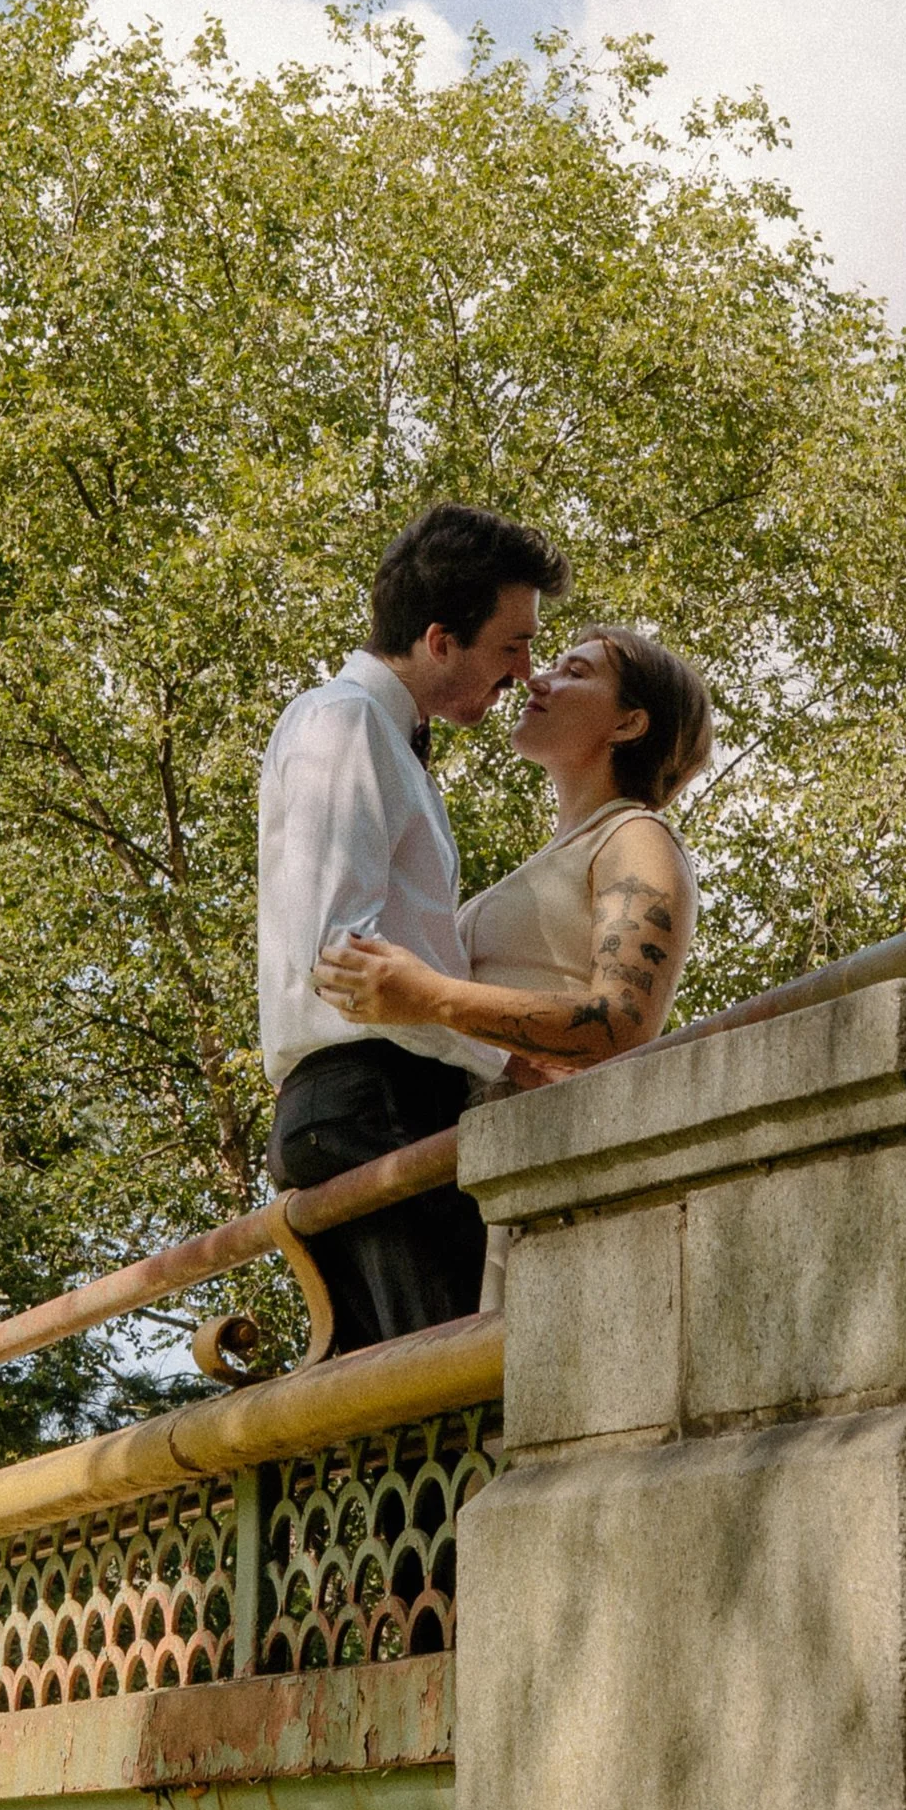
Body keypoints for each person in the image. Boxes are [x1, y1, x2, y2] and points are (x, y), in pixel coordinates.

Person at [258, 500, 571, 1347]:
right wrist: (504, 1054)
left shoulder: (374, 737)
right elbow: (344, 963)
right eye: (513, 646)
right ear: (441, 641)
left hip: (361, 1106)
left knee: (398, 1416)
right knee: (455, 1392)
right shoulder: (346, 722)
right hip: (374, 1106)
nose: (527, 672)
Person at [313, 625, 713, 1122]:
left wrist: (430, 997)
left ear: (629, 724)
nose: (537, 680)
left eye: (576, 672)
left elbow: (623, 1026)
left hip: (555, 1150)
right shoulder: (559, 854)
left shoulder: (636, 836)